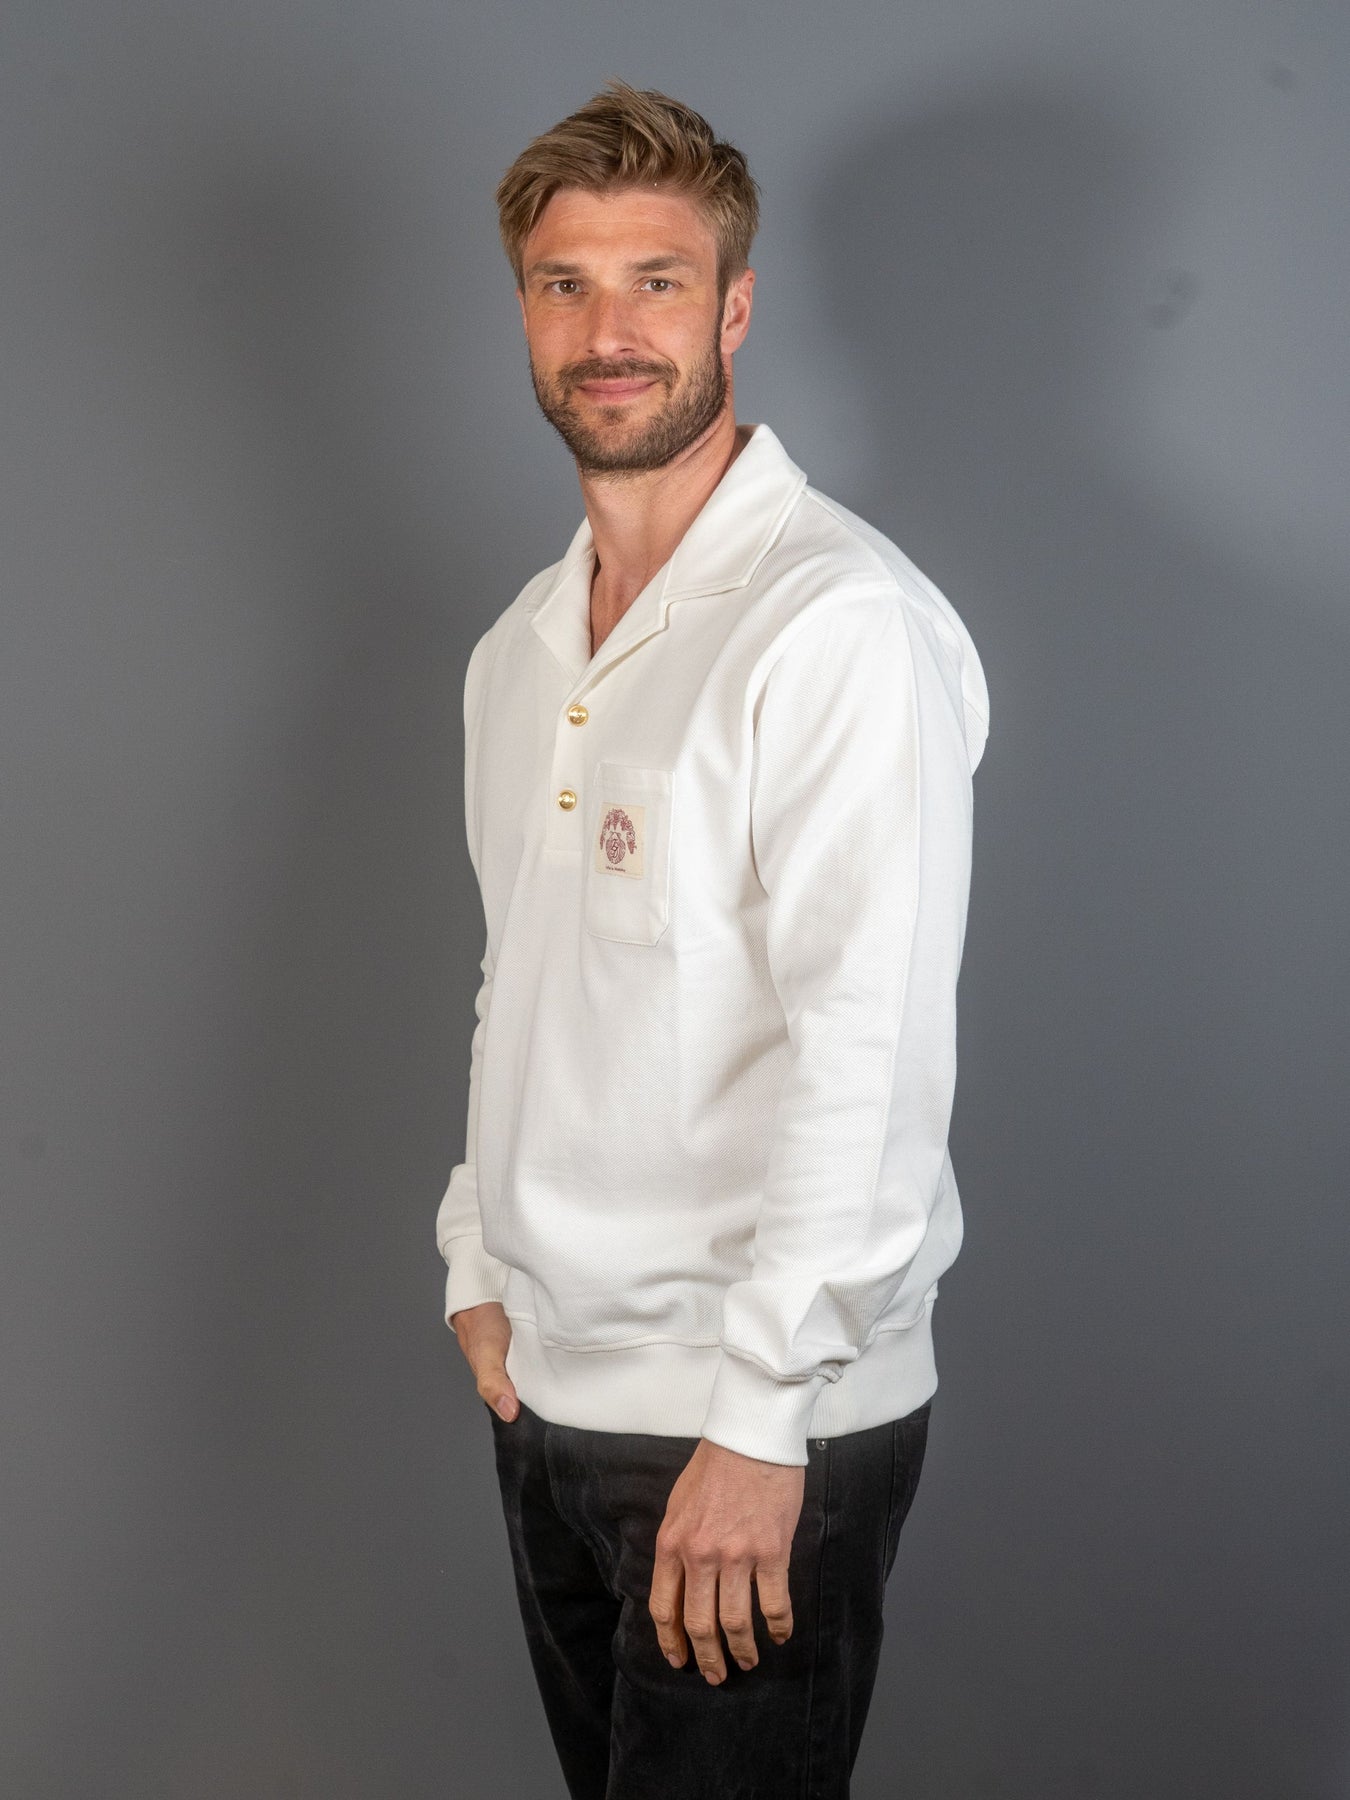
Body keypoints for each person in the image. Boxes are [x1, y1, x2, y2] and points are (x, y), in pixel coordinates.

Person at [435, 80, 990, 1800]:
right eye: (565, 284)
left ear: (733, 310)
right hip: (550, 1393)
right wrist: (474, 1255)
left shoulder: (837, 624)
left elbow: (867, 1046)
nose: (607, 331)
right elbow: (520, 974)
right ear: (523, 311)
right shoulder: (522, 649)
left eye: (656, 282)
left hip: (752, 1424)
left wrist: (759, 1421)